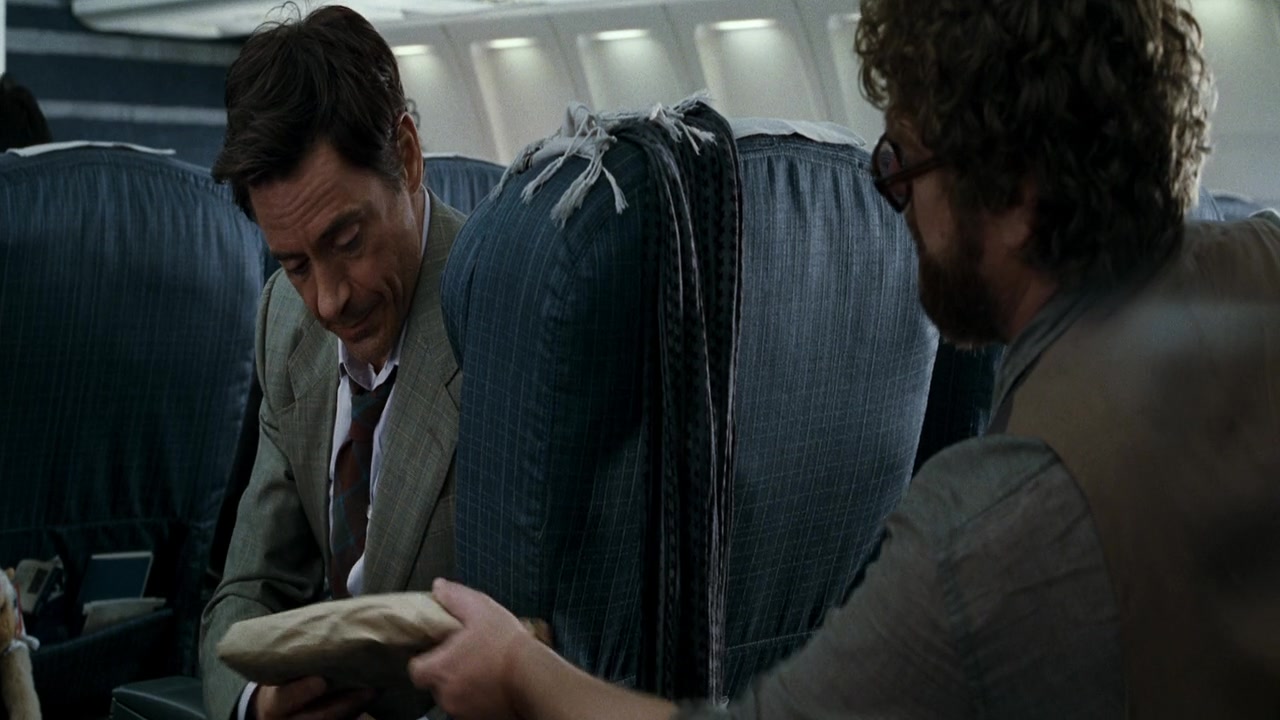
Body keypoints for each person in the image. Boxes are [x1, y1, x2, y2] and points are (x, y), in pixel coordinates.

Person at [406, 0, 1280, 718]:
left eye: (903, 163)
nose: (895, 203)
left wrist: (519, 670)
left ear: (1017, 195)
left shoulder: (989, 525)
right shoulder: (1266, 264)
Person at [198, 6, 466, 720]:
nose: (327, 300)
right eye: (294, 264)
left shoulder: (497, 318)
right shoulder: (283, 324)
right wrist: (260, 704)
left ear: (406, 157)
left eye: (347, 241)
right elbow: (249, 587)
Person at [0, 73, 52, 151]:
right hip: (23, 149)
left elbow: (37, 120)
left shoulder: (20, 95)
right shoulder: (20, 95)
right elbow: (37, 121)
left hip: (16, 149)